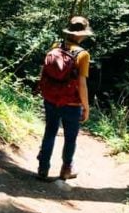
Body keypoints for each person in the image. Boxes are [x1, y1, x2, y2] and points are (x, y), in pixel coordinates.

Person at [36, 16, 92, 181]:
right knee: (70, 137)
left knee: (50, 132)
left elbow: (44, 71)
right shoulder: (83, 55)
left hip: (51, 98)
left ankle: (43, 168)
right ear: (82, 35)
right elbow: (82, 84)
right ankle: (66, 169)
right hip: (71, 103)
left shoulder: (55, 47)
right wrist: (86, 106)